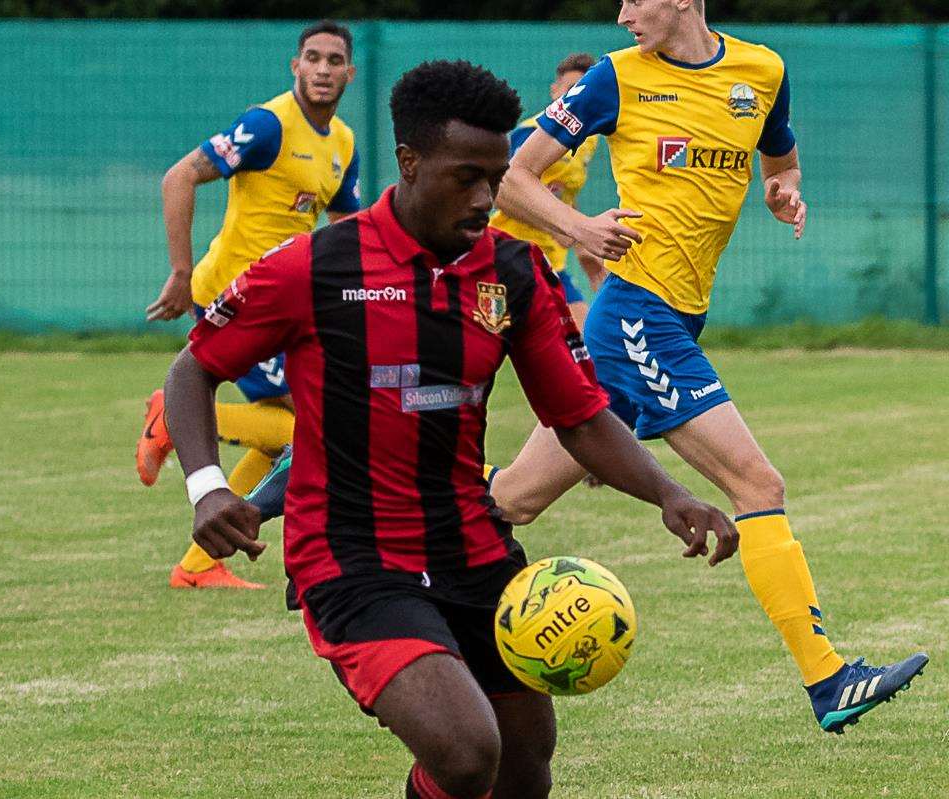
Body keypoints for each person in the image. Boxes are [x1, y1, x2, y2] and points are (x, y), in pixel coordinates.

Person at [162, 60, 737, 799]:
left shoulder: (513, 272)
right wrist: (208, 488)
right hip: (351, 557)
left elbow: (579, 415)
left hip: (472, 542)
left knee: (527, 755)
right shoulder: (315, 267)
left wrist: (668, 494)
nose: (486, 198)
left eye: (495, 178)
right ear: (409, 162)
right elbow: (192, 369)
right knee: (467, 752)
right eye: (466, 176)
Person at [488, 0, 927, 734]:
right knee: (758, 483)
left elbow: (779, 158)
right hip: (638, 316)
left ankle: (369, 536)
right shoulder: (613, 78)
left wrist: (782, 189)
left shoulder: (762, 70)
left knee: (513, 500)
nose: (624, 13)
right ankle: (830, 680)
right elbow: (512, 175)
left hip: (671, 317)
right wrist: (579, 225)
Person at [136, 20, 361, 589]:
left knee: (294, 430)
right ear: (295, 66)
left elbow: (347, 229)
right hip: (233, 299)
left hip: (288, 306)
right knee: (306, 427)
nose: (324, 69)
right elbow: (179, 177)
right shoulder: (267, 126)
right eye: (313, 58)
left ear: (349, 73)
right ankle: (172, 415)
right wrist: (183, 273)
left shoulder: (343, 143)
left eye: (335, 60)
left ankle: (198, 565)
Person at [490, 52, 605, 332]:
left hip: (551, 262)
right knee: (487, 342)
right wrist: (558, 225)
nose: (574, 99)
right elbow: (499, 189)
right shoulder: (533, 133)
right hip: (507, 256)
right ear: (554, 91)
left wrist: (584, 250)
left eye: (582, 93)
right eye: (568, 91)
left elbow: (561, 198)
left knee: (586, 344)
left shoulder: (588, 140)